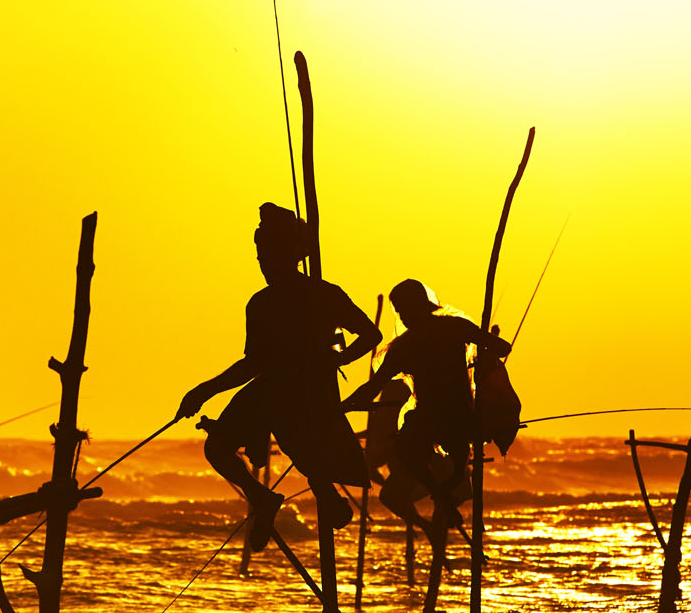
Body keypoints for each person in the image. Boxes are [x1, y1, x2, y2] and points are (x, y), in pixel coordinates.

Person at [178, 203, 382, 551]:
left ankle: (327, 498)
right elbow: (253, 364)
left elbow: (370, 335)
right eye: (260, 257)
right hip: (270, 390)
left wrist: (337, 359)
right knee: (217, 448)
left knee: (304, 447)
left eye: (270, 256)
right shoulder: (260, 303)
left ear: (293, 255)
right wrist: (204, 390)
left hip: (310, 393)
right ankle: (262, 497)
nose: (264, 265)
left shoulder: (324, 294)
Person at [342, 279, 511, 536]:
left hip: (448, 418)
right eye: (399, 311)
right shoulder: (432, 336)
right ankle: (443, 492)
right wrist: (346, 405)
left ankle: (443, 491)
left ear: (419, 306)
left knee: (414, 449)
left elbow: (371, 389)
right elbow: (373, 388)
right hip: (444, 419)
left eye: (404, 309)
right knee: (408, 447)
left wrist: (344, 405)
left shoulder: (429, 337)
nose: (402, 316)